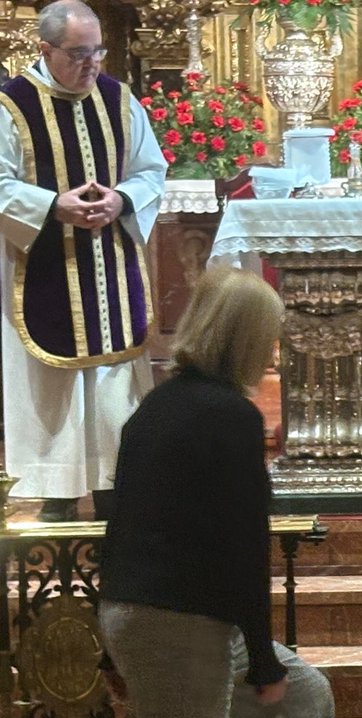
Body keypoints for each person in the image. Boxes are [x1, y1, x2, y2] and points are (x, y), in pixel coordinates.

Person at [99, 268, 345, 718]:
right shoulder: (228, 415)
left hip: (165, 615)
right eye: (267, 337)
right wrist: (261, 661)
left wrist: (110, 641)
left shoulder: (158, 405)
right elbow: (243, 552)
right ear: (242, 338)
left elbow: (119, 520)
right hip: (174, 622)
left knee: (304, 700)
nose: (274, 351)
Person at [0, 0, 166, 523]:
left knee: (115, 380)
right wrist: (54, 205)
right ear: (45, 49)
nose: (92, 63)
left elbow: (150, 169)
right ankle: (58, 490)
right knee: (53, 382)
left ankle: (118, 484)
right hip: (44, 267)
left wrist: (121, 200)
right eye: (78, 53)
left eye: (98, 50)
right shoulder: (11, 107)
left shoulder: (120, 100)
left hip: (111, 267)